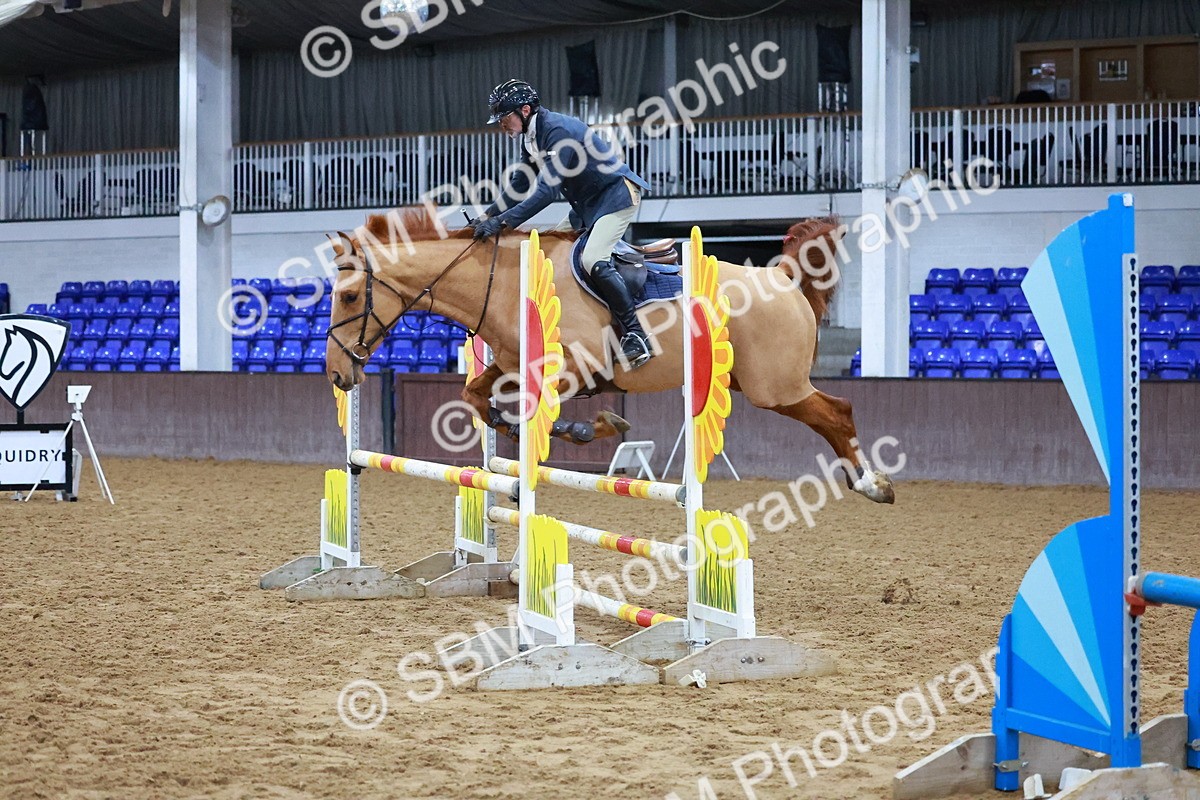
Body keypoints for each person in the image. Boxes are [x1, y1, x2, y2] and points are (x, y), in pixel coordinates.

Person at [471, 79, 654, 369]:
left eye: (504, 118)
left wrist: (503, 223)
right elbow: (520, 184)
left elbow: (546, 192)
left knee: (593, 258)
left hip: (615, 197)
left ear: (525, 110)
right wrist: (489, 216)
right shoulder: (532, 135)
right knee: (545, 252)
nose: (501, 126)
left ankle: (636, 335)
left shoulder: (557, 132)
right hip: (587, 205)